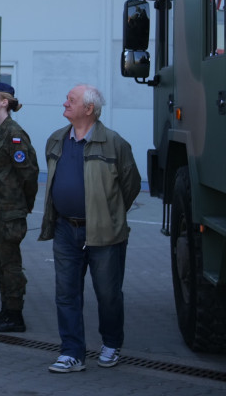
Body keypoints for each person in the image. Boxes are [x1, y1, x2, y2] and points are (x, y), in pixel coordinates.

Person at [39, 84, 141, 374]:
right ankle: (72, 353)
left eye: (71, 100)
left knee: (108, 294)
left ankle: (111, 343)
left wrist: (108, 214)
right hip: (64, 230)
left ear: (89, 109)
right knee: (66, 293)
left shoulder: (114, 143)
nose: (65, 102)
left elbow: (130, 185)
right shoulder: (56, 140)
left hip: (104, 233)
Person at [0, 81, 39, 334]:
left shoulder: (14, 133)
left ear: (4, 102)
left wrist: (22, 207)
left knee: (10, 263)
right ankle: (6, 310)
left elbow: (29, 174)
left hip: (9, 211)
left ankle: (15, 314)